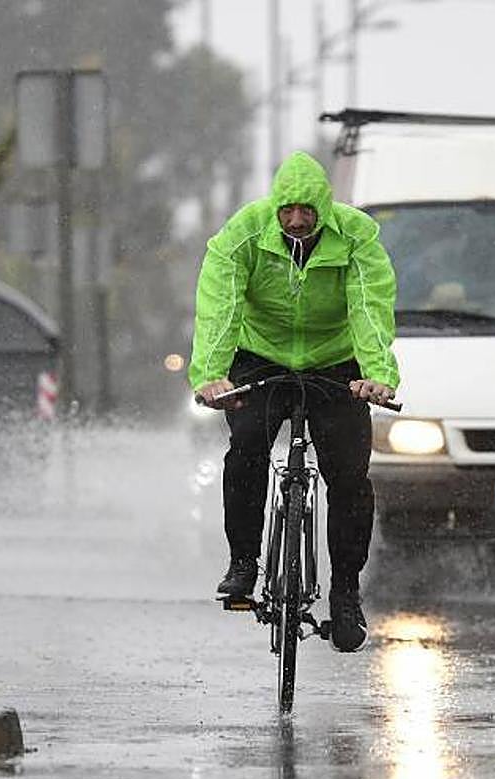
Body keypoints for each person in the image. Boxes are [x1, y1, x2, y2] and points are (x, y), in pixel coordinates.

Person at [188, 150, 400, 653]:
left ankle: (346, 592)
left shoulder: (357, 235)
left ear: (324, 208)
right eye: (289, 210)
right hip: (261, 357)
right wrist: (212, 375)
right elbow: (220, 306)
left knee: (349, 477)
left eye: (309, 210)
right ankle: (243, 562)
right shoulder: (243, 234)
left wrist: (376, 374)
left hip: (335, 361)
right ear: (275, 207)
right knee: (245, 451)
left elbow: (370, 307)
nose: (298, 220)